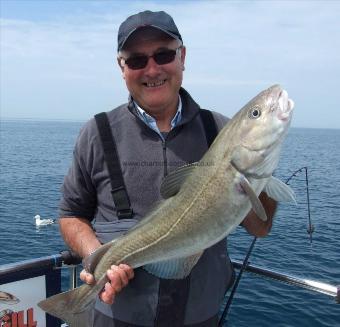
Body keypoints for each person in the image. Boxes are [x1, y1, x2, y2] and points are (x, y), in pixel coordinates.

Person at [59, 10, 276, 327]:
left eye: (163, 54)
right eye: (136, 60)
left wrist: (263, 167)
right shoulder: (96, 132)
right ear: (122, 68)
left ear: (182, 57)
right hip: (115, 318)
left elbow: (261, 227)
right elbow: (70, 214)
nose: (152, 69)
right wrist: (97, 257)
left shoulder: (220, 131)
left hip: (199, 318)